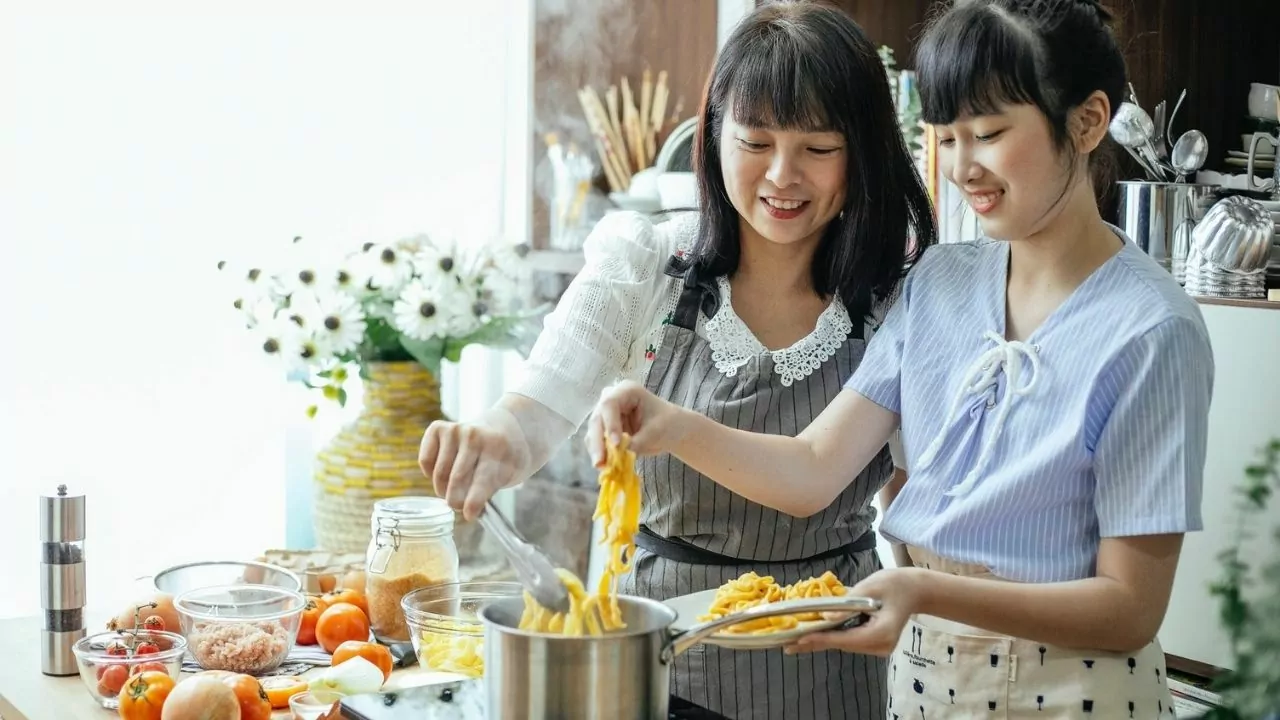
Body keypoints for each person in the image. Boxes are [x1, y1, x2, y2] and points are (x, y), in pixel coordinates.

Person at [586, 0, 1215, 717]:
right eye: (945, 138)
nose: (961, 167)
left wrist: (923, 589)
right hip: (924, 681)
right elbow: (814, 469)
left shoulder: (1151, 328)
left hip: (1073, 689)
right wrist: (669, 425)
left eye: (988, 133)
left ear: (1088, 120)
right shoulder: (940, 283)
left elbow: (1130, 609)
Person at [418, 2, 935, 716]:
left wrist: (925, 614)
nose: (783, 176)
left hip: (828, 665)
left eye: (819, 148)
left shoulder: (895, 302)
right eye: (756, 141)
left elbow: (906, 501)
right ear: (716, 134)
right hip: (652, 661)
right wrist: (489, 444)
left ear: (863, 153)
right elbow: (536, 412)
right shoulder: (648, 263)